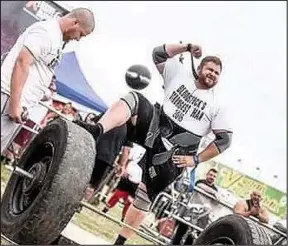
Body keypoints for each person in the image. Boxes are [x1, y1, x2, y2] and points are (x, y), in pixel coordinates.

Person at [83, 41, 232, 244]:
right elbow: (158, 54)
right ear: (199, 69)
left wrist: (195, 159)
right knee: (134, 98)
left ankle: (119, 242)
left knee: (143, 197)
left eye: (217, 72)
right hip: (155, 127)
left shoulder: (217, 104)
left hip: (175, 152)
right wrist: (186, 47)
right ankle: (96, 129)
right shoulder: (180, 74)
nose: (213, 74)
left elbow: (224, 140)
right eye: (210, 69)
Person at [1, 7, 95, 155]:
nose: (78, 39)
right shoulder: (46, 31)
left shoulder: (57, 40)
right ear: (75, 22)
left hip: (18, 104)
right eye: (81, 34)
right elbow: (22, 62)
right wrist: (14, 103)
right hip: (8, 98)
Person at [171, 168, 219, 245]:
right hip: (191, 211)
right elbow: (199, 186)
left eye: (214, 176)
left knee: (192, 236)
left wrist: (215, 194)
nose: (212, 177)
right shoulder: (200, 182)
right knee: (181, 230)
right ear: (207, 175)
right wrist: (213, 193)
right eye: (210, 175)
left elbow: (217, 201)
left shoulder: (215, 189)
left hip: (201, 215)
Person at [102, 143, 145, 222]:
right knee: (118, 194)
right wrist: (124, 168)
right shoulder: (138, 147)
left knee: (130, 200)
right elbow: (129, 157)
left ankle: (124, 218)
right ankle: (105, 209)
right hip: (128, 175)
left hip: (138, 180)